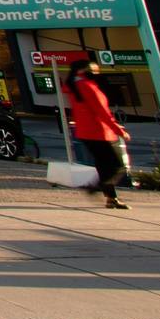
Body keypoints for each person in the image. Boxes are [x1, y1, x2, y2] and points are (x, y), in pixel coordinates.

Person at [65, 59, 131, 210]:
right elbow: (102, 112)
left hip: (85, 132)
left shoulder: (74, 87)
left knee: (103, 167)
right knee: (119, 166)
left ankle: (111, 198)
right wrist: (119, 130)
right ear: (83, 70)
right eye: (94, 69)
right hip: (100, 132)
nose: (96, 71)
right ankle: (96, 187)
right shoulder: (88, 86)